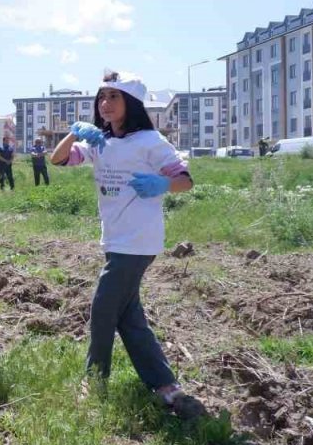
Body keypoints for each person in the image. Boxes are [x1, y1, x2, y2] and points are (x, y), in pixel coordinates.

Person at [50, 69, 203, 417]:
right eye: (101, 97)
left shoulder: (150, 141)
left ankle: (94, 382)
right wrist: (74, 134)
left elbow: (185, 180)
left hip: (139, 239)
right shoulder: (100, 142)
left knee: (103, 309)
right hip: (115, 237)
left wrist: (163, 185)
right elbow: (58, 160)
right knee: (128, 317)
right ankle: (166, 386)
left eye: (113, 97)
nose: (105, 103)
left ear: (130, 103)